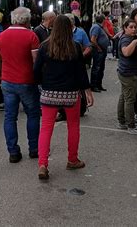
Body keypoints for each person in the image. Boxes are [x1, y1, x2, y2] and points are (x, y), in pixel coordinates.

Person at [34, 15, 94, 180]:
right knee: (73, 126)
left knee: (46, 128)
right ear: (69, 28)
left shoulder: (44, 46)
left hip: (49, 93)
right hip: (71, 94)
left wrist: (43, 84)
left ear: (53, 28)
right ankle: (72, 159)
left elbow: (36, 70)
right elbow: (81, 72)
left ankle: (43, 164)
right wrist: (87, 91)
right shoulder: (75, 47)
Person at [0, 7, 41, 163]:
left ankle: (13, 152)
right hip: (27, 81)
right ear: (27, 20)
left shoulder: (1, 36)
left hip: (8, 81)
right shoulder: (31, 36)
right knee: (32, 115)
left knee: (10, 117)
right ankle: (34, 149)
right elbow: (36, 60)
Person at [116, 19, 137, 135]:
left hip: (128, 72)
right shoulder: (126, 39)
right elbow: (126, 52)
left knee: (124, 96)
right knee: (129, 99)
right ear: (125, 28)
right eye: (131, 27)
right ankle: (130, 125)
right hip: (128, 73)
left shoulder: (128, 38)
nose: (134, 29)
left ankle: (122, 121)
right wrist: (134, 42)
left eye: (135, 27)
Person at [89, 14, 109, 92]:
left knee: (101, 68)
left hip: (101, 50)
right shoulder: (96, 27)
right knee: (97, 68)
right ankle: (93, 85)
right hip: (98, 51)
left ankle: (98, 84)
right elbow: (93, 39)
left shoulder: (99, 27)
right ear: (103, 20)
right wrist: (98, 48)